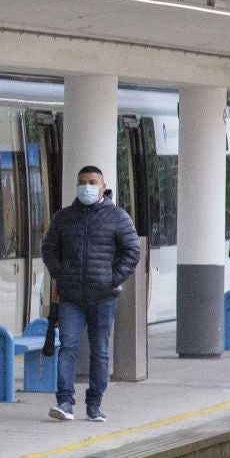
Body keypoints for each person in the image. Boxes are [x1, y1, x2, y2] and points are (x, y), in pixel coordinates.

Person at [41, 166, 141, 423]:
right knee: (68, 347)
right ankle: (64, 402)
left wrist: (112, 278)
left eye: (92, 182)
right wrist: (60, 274)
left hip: (103, 297)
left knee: (100, 350)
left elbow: (132, 251)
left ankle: (94, 404)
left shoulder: (118, 217)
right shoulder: (64, 218)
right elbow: (49, 248)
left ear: (103, 186)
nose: (87, 186)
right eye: (82, 182)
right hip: (70, 296)